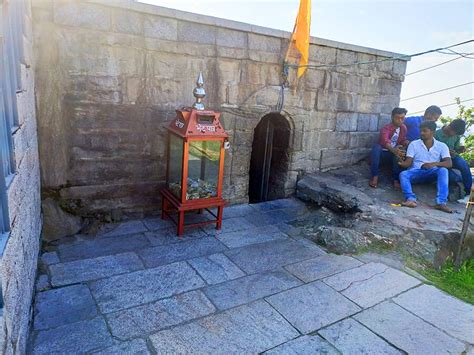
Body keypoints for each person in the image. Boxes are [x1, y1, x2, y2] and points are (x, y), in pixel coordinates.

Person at [398, 121, 452, 213]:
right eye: (420, 131)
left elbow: (449, 163)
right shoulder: (414, 144)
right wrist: (398, 160)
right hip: (416, 173)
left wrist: (433, 164)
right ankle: (410, 199)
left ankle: (441, 203)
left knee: (443, 170)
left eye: (424, 131)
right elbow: (407, 163)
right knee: (403, 174)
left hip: (432, 173)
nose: (421, 133)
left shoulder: (442, 146)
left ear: (433, 132)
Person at [369, 107, 409, 189]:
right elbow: (385, 142)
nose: (400, 120)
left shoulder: (403, 128)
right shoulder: (386, 128)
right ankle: (374, 177)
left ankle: (395, 180)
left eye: (402, 118)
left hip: (393, 156)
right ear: (392, 117)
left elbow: (402, 140)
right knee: (376, 148)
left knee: (400, 151)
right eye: (397, 118)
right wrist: (395, 151)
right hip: (383, 155)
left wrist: (406, 143)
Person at [435, 119, 472, 202]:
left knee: (463, 164)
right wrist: (445, 152)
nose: (454, 135)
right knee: (453, 177)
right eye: (454, 133)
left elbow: (455, 149)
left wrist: (459, 150)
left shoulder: (456, 136)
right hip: (441, 160)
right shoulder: (436, 134)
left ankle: (468, 193)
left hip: (452, 157)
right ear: (450, 128)